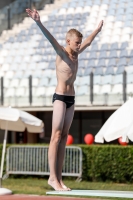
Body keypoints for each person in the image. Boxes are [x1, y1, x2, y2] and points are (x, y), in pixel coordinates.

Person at [26, 8, 103, 191]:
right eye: (76, 43)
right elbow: (49, 38)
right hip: (60, 98)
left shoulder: (76, 54)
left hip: (71, 99)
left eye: (79, 43)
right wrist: (38, 22)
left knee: (63, 138)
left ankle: (59, 180)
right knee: (56, 136)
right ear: (68, 41)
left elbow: (89, 41)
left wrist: (97, 30)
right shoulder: (61, 52)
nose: (79, 46)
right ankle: (52, 178)